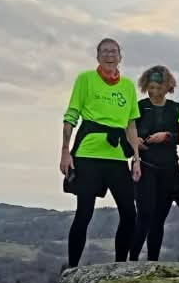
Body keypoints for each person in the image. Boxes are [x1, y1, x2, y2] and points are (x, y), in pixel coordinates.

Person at [60, 37, 141, 267]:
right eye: (104, 51)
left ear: (120, 56)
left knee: (129, 213)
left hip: (116, 157)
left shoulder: (127, 86)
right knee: (84, 214)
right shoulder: (85, 79)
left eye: (114, 51)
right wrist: (66, 151)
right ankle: (73, 268)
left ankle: (120, 266)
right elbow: (71, 116)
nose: (109, 55)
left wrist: (136, 158)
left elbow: (131, 125)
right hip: (88, 154)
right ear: (98, 56)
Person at [129, 65, 179, 261]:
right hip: (144, 166)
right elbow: (128, 131)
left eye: (159, 88)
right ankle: (132, 259)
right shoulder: (140, 107)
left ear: (167, 87)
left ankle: (152, 261)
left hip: (168, 168)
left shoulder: (176, 109)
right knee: (144, 214)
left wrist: (167, 136)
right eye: (151, 87)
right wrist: (136, 142)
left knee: (159, 219)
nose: (154, 92)